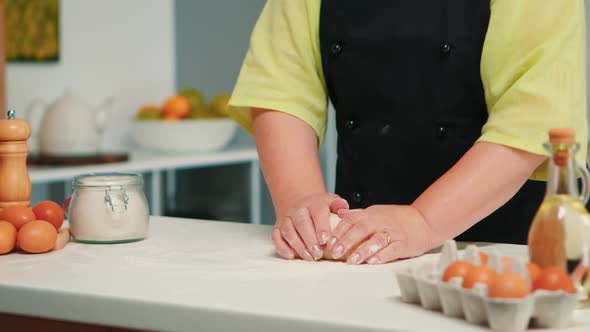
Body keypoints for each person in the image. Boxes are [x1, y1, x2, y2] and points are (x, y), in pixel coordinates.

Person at [227, 0, 588, 264]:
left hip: (505, 253)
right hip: (359, 249)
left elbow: (533, 118)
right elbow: (280, 89)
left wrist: (423, 221)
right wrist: (302, 203)